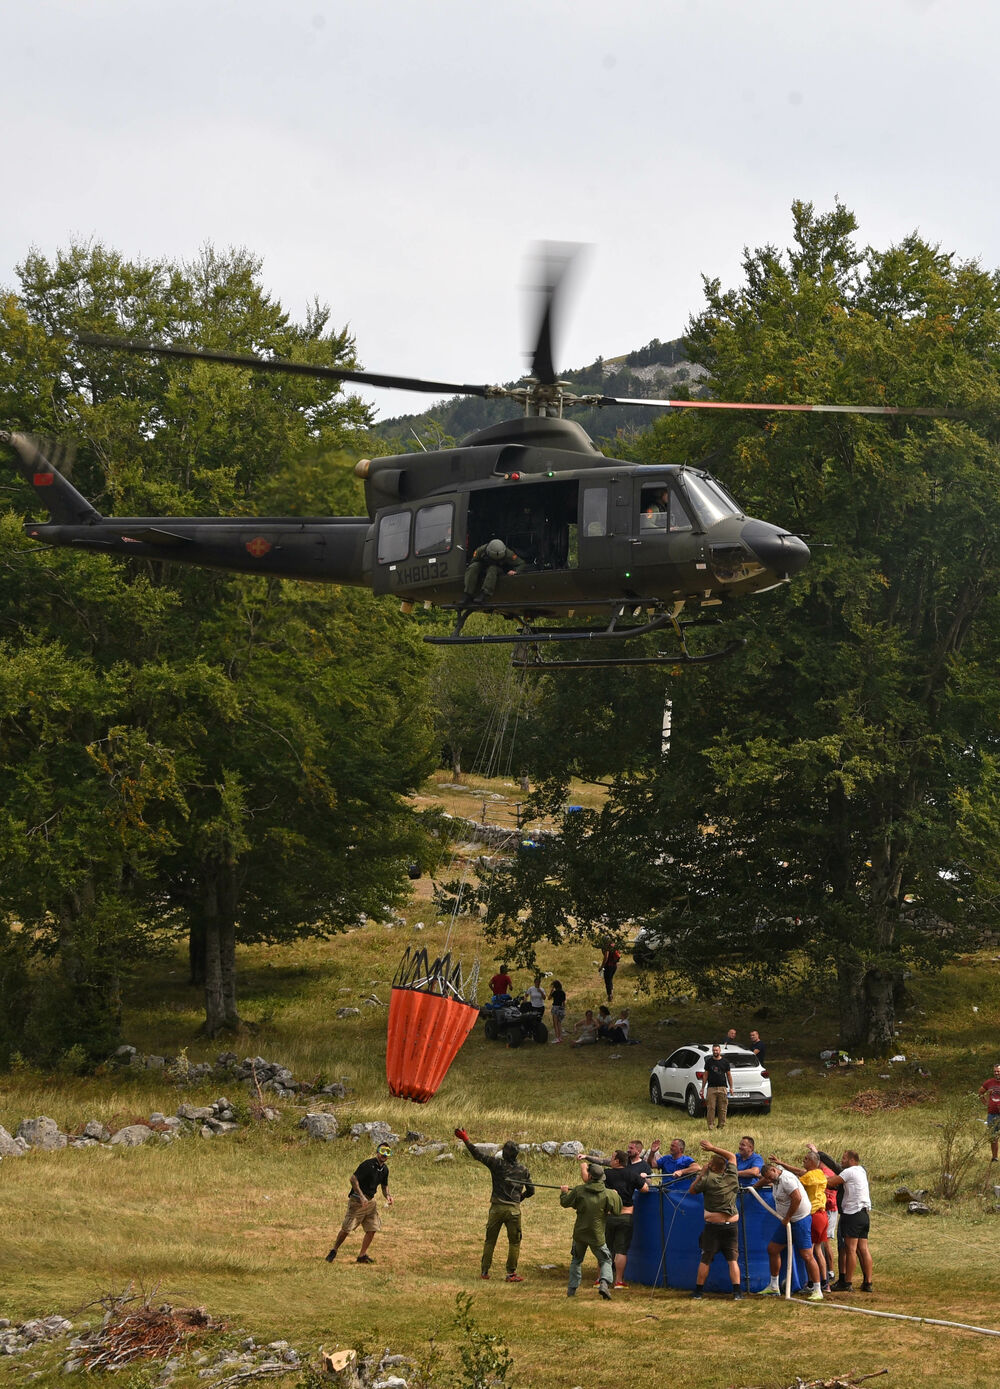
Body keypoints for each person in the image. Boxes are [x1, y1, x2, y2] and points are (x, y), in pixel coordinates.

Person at [455, 1128, 534, 1282]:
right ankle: (511, 1274)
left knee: (490, 1240)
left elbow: (477, 1154)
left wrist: (465, 1139)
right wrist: (520, 1198)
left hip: (496, 1208)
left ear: (504, 1153)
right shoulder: (523, 1170)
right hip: (513, 1210)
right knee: (514, 1242)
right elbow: (531, 1190)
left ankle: (484, 1271)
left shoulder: (496, 1164)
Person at [754, 1159, 823, 1301]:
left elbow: (796, 1198)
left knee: (807, 1255)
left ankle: (817, 1289)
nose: (769, 1180)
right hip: (787, 1221)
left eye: (769, 1177)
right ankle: (774, 1286)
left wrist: (787, 1217)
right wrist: (755, 1187)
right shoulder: (774, 1178)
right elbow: (765, 1180)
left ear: (774, 1170)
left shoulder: (786, 1179)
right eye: (766, 1178)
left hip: (799, 1219)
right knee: (773, 1249)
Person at [808, 1143, 873, 1292]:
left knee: (850, 1249)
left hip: (852, 1214)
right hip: (864, 1214)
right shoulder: (861, 1170)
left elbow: (829, 1182)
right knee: (863, 1248)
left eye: (844, 1159)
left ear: (851, 1160)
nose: (841, 1161)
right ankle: (868, 1283)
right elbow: (836, 1173)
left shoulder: (849, 1172)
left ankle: (847, 1282)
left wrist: (814, 1176)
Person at [688, 1139, 743, 1299]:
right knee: (732, 1259)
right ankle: (737, 1292)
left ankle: (698, 1291)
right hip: (731, 1225)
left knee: (706, 1259)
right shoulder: (732, 1177)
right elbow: (732, 1156)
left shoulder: (707, 1179)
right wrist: (713, 1148)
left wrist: (701, 1173)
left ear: (711, 1167)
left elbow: (692, 1190)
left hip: (713, 1226)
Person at [559, 1159, 622, 1299]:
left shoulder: (579, 1190)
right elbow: (617, 1211)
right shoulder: (608, 1194)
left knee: (576, 1260)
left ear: (590, 1176)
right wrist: (616, 1196)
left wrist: (563, 1192)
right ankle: (604, 1284)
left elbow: (565, 1203)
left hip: (580, 1232)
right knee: (605, 1259)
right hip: (597, 1233)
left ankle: (572, 1290)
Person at [767, 1151, 829, 1289]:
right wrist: (781, 1163)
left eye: (806, 1159)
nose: (803, 1161)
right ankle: (774, 1286)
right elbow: (799, 1171)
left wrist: (787, 1217)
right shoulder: (817, 1173)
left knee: (810, 1253)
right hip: (818, 1215)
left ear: (813, 1162)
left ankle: (818, 1286)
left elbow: (795, 1189)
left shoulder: (801, 1178)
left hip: (810, 1216)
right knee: (816, 1250)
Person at [326, 1143, 394, 1264]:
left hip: (370, 1203)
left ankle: (362, 1256)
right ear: (377, 1152)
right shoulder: (367, 1165)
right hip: (357, 1201)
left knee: (372, 1228)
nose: (384, 1154)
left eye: (387, 1152)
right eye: (383, 1151)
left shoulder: (385, 1169)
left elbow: (384, 1186)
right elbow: (353, 1179)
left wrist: (388, 1196)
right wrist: (362, 1197)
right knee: (346, 1229)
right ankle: (334, 1250)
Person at [604, 1149, 649, 1288]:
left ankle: (601, 1279)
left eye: (612, 1158)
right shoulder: (632, 1174)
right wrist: (640, 1179)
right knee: (621, 1250)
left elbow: (589, 1179)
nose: (610, 1160)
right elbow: (645, 1189)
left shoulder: (606, 1174)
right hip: (626, 1215)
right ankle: (618, 1281)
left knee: (605, 1249)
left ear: (617, 1161)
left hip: (610, 1216)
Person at [463, 539, 526, 604]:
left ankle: (485, 594)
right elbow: (474, 561)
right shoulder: (480, 550)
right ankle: (468, 594)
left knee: (492, 568)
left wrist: (515, 571)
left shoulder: (509, 553)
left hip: (498, 569)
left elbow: (521, 563)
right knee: (473, 567)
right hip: (483, 566)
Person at [700, 1044, 734, 1130]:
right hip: (711, 1088)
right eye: (714, 1050)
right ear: (712, 1051)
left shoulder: (725, 1062)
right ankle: (711, 1126)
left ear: (720, 1051)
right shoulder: (709, 1062)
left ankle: (721, 1126)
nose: (715, 1052)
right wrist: (703, 1088)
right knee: (711, 1108)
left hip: (722, 1087)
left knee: (722, 1108)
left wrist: (731, 1087)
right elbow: (705, 1075)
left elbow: (729, 1075)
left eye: (717, 1050)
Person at [978, 1063, 1000, 1161]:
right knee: (993, 1136)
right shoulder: (989, 1082)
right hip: (992, 1113)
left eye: (998, 1071)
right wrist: (986, 1103)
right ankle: (994, 1157)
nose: (996, 1073)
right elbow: (980, 1092)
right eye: (995, 1071)